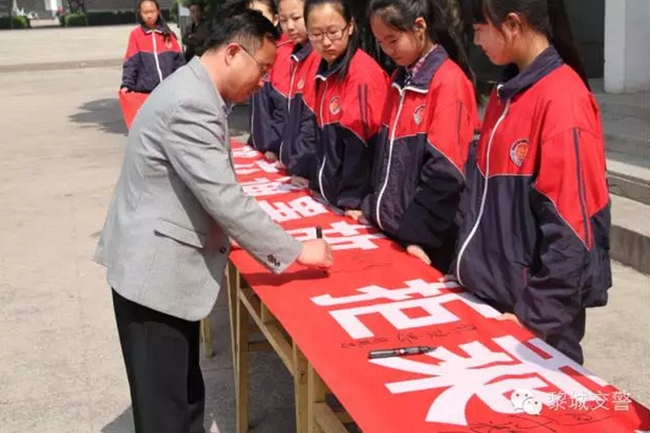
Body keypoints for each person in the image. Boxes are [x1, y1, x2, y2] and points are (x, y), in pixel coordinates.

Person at [95, 9, 333, 433]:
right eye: (261, 68)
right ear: (233, 52)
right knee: (166, 411)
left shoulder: (195, 89)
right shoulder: (191, 102)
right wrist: (296, 251)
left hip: (159, 271)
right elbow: (223, 198)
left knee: (183, 397)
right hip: (153, 279)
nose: (263, 80)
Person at [452, 0, 612, 365]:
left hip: (530, 321)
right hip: (491, 298)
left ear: (512, 24)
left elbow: (572, 231)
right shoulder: (506, 93)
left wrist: (533, 318)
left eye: (479, 29)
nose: (476, 41)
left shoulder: (563, 101)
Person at [349, 0, 479, 273]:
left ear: (419, 27)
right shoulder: (400, 79)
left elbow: (446, 172)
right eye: (380, 41)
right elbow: (387, 163)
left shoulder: (448, 82)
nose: (386, 49)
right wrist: (373, 209)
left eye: (393, 39)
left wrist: (418, 234)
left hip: (426, 242)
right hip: (396, 232)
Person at [304, 0, 389, 211]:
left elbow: (361, 147)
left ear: (350, 27)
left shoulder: (361, 74)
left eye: (333, 32)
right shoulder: (324, 70)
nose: (325, 42)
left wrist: (352, 201)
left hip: (351, 204)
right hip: (329, 197)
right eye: (316, 34)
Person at [275, 0, 322, 187]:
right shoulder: (297, 55)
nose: (290, 26)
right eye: (283, 20)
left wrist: (300, 167)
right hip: (294, 163)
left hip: (309, 168)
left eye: (296, 18)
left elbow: (310, 121)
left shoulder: (318, 56)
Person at [246, 0, 294, 160]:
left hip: (274, 153)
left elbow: (283, 108)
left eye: (260, 15)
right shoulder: (257, 50)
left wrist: (273, 148)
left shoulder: (284, 53)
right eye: (250, 16)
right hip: (259, 146)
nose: (254, 21)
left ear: (275, 20)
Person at [121, 0, 185, 94]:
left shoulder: (168, 35)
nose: (149, 16)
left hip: (170, 90)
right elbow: (131, 63)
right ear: (140, 13)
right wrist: (127, 84)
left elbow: (179, 62)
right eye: (145, 12)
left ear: (158, 11)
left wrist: (183, 82)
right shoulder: (136, 35)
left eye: (152, 11)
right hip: (146, 92)